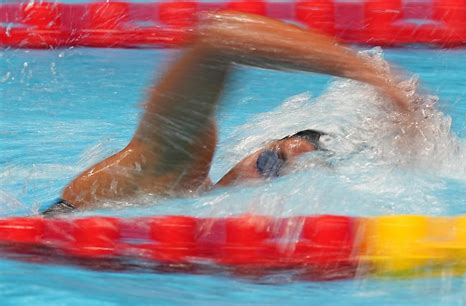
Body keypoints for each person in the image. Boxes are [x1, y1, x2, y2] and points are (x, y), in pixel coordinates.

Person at [42, 11, 410, 216]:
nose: (265, 176)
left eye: (277, 172)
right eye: (270, 160)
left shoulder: (196, 205)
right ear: (256, 148)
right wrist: (368, 72)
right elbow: (217, 38)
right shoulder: (173, 166)